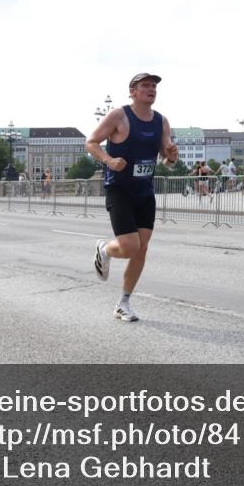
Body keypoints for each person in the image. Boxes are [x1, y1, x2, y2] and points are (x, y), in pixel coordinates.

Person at [88, 73, 178, 322]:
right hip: (119, 189)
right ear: (133, 92)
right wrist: (108, 160)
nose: (151, 89)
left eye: (154, 86)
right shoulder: (119, 115)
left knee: (141, 248)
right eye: (145, 85)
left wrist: (171, 156)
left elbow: (167, 161)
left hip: (145, 192)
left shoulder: (161, 121)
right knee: (129, 247)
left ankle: (123, 303)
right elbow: (91, 142)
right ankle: (105, 249)